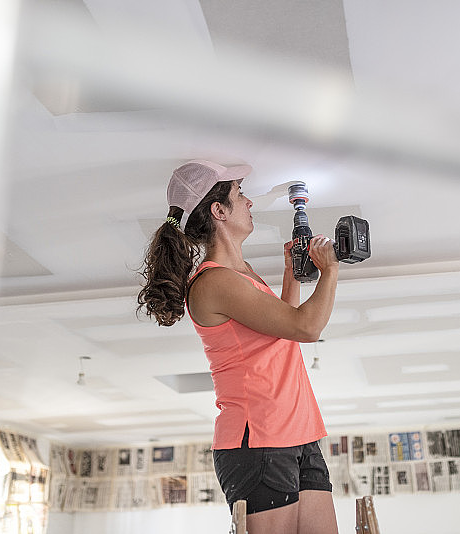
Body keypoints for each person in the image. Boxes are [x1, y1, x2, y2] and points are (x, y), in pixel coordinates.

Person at [137, 160, 340, 534]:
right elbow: (307, 327)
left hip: (296, 429)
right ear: (219, 211)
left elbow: (285, 327)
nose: (250, 202)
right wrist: (330, 271)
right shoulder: (214, 282)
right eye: (240, 194)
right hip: (258, 437)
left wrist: (289, 273)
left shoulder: (241, 273)